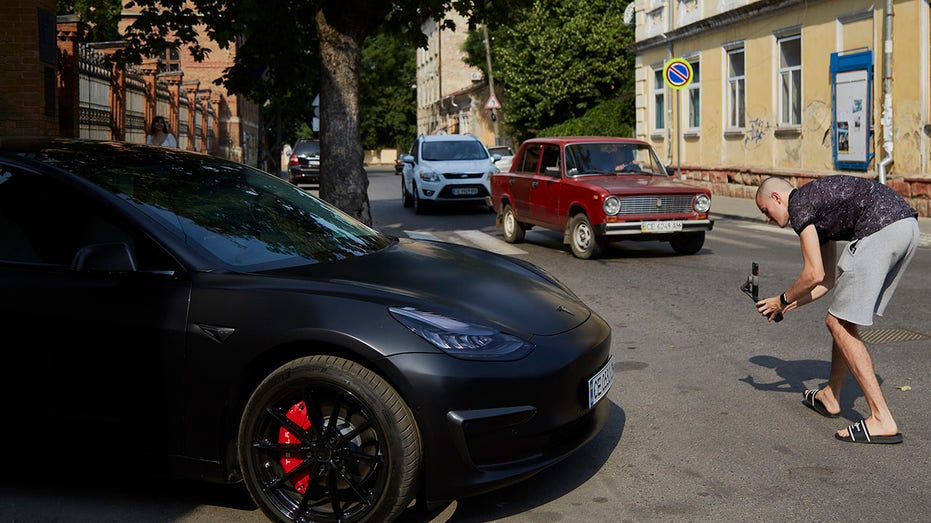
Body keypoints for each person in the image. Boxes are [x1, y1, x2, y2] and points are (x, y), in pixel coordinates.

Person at [754, 175, 919, 444]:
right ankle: (831, 395)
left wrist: (781, 299)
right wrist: (788, 306)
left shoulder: (799, 204)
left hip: (881, 229)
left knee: (838, 323)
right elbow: (826, 280)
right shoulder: (817, 208)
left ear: (776, 198)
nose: (767, 219)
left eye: (766, 211)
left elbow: (812, 273)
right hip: (905, 227)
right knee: (842, 319)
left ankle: (881, 418)